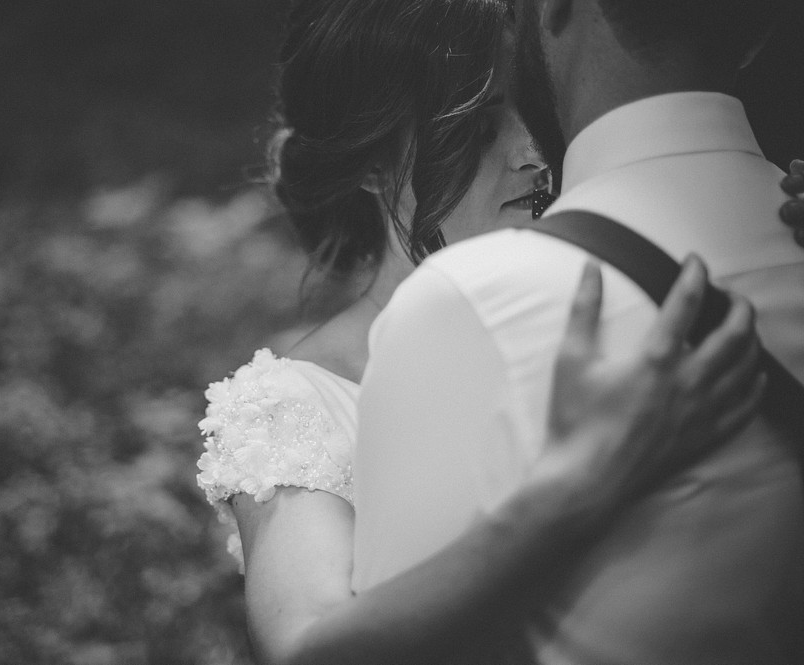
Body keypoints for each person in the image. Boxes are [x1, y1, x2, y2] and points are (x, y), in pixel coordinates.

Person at [196, 1, 804, 663]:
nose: (531, 153)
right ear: (372, 160)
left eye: (529, 112)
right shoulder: (291, 404)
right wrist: (571, 492)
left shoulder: (575, 301)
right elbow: (304, 647)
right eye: (480, 128)